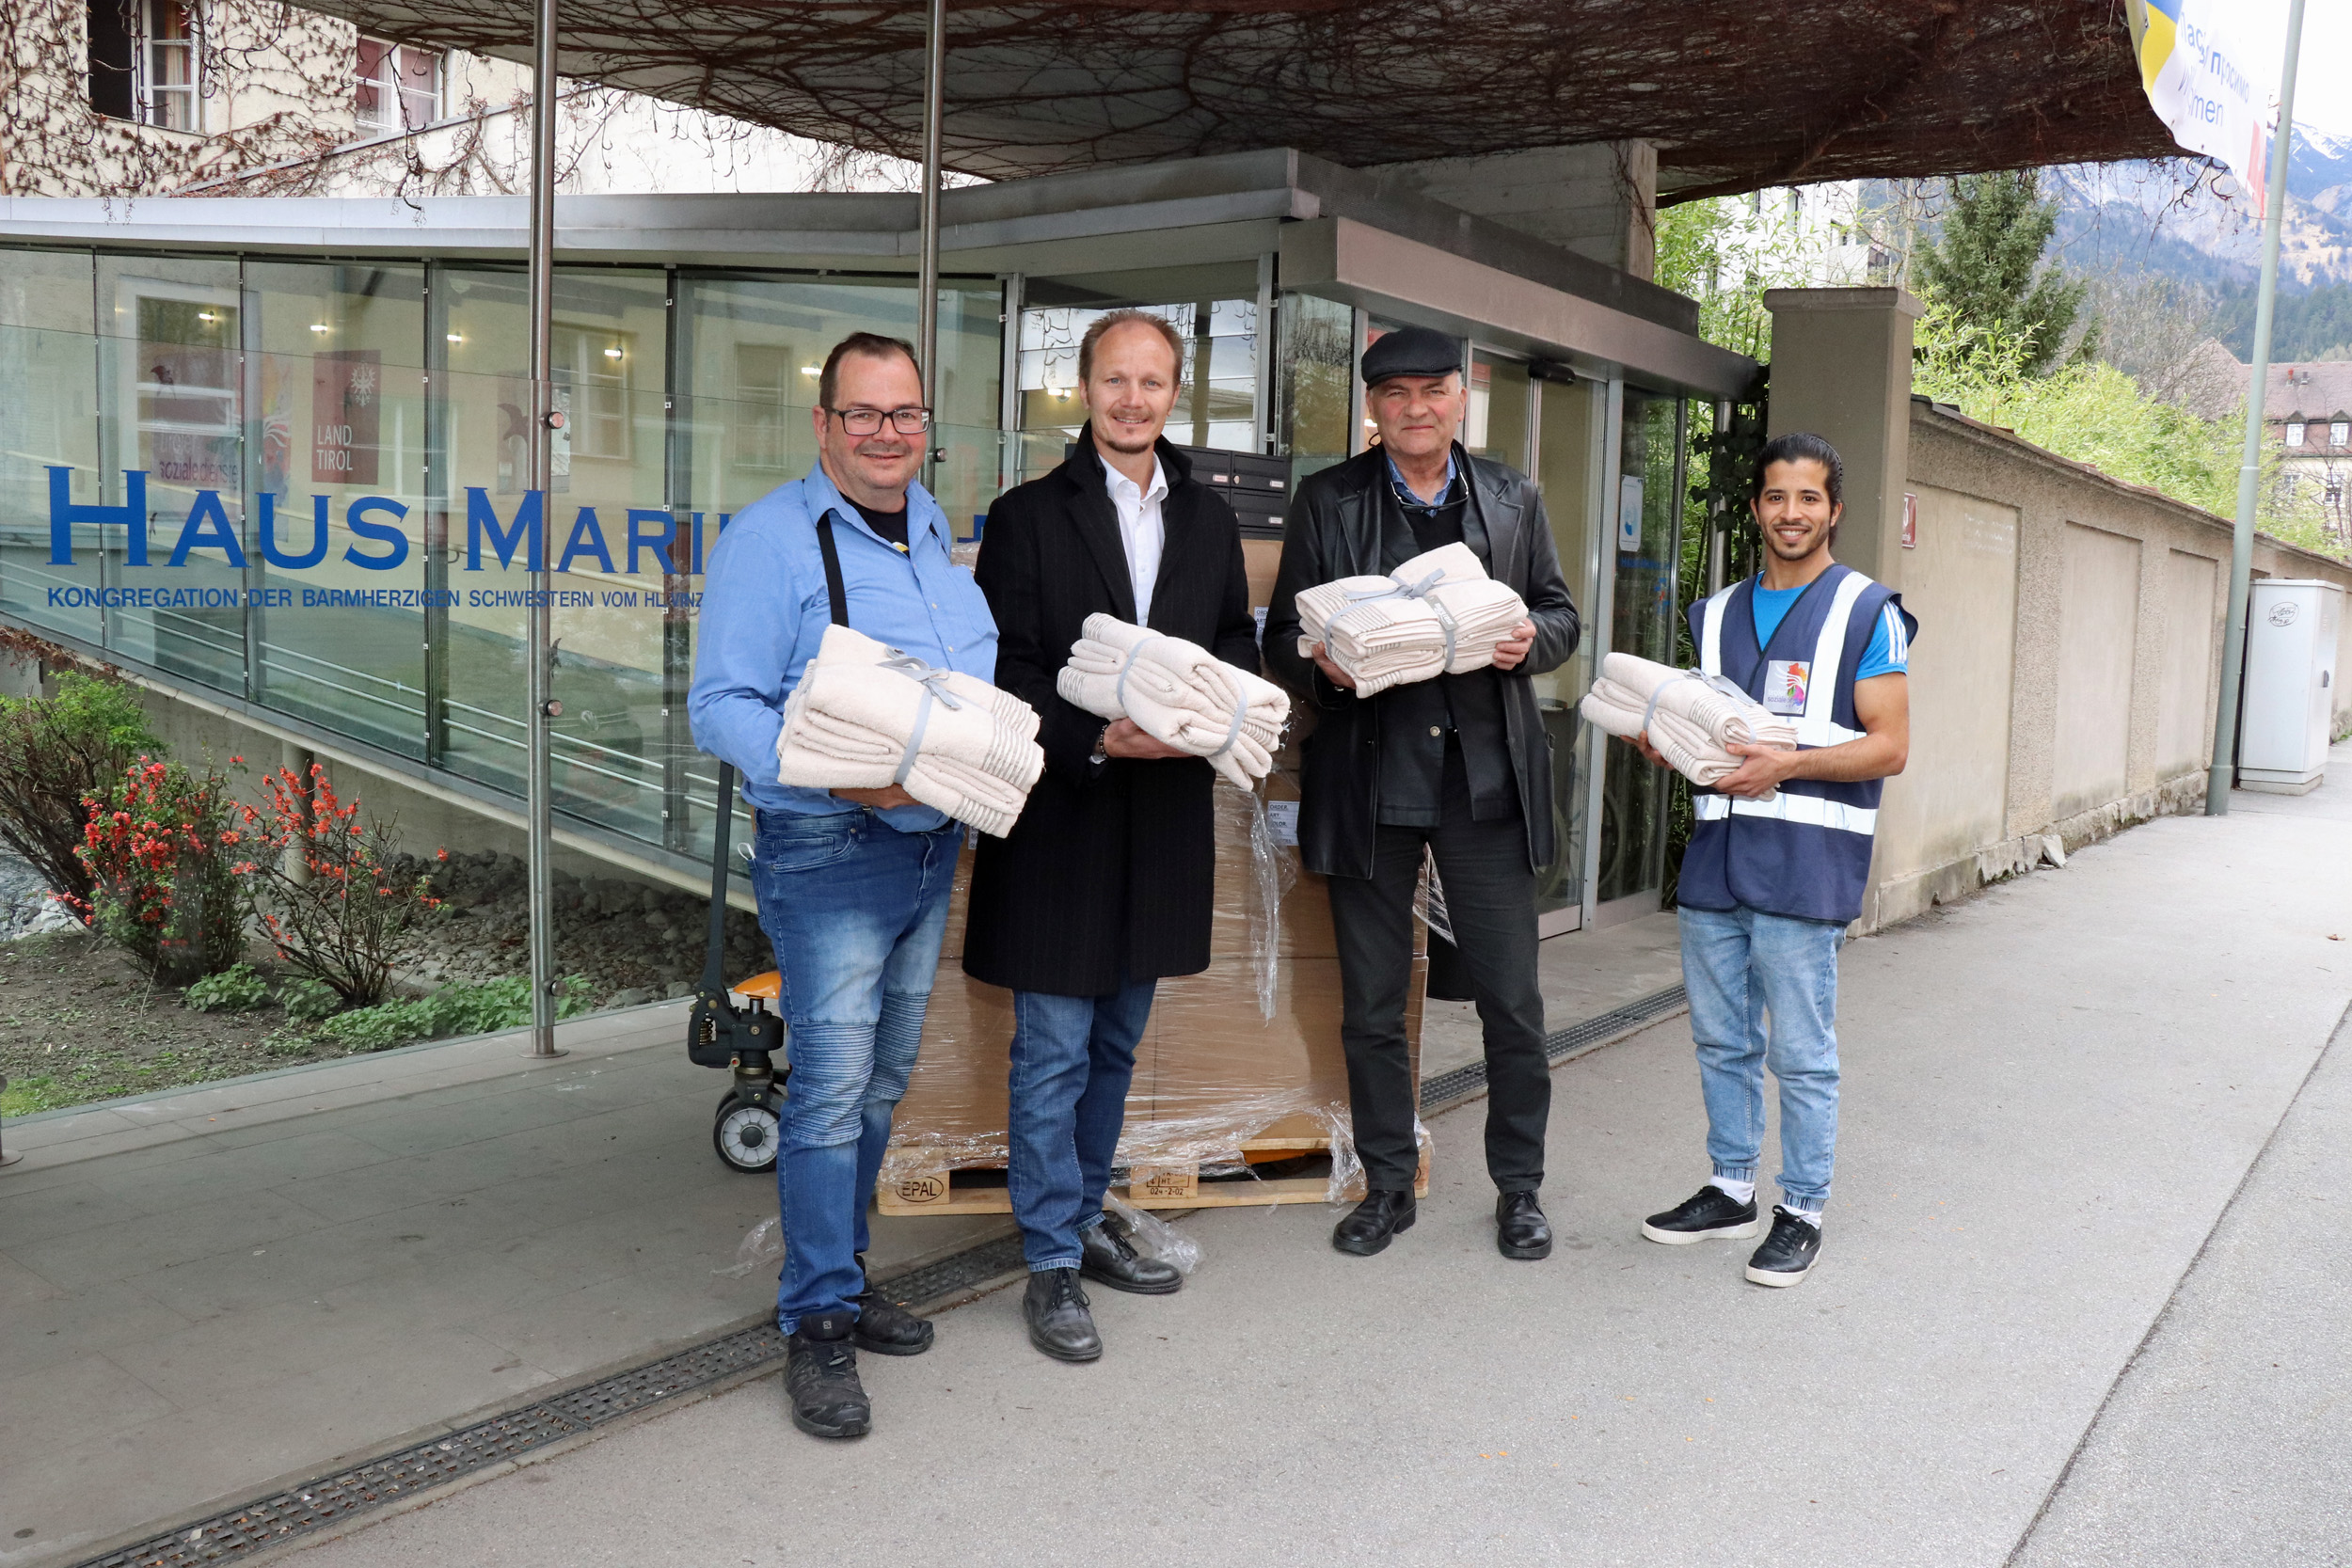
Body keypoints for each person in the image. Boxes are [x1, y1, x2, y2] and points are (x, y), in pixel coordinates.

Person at [689, 331, 997, 1437]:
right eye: (861, 414)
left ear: (927, 428)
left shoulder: (926, 530)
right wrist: (843, 774)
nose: (884, 434)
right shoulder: (771, 539)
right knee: (825, 1089)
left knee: (881, 1080)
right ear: (822, 424)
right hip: (827, 848)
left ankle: (845, 1271)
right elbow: (721, 703)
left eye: (904, 414)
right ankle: (815, 1321)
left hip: (928, 844)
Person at [964, 309, 1260, 1362]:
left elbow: (1232, 638)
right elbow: (1006, 667)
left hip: (1164, 816)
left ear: (1176, 392)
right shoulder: (1028, 515)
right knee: (1050, 1050)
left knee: (1114, 1044)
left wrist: (1200, 715)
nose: (1134, 400)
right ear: (1081, 388)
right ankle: (1048, 1260)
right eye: (1115, 380)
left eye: (1153, 382)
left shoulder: (1211, 523)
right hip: (1063, 816)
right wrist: (1101, 734)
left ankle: (1083, 1219)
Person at [1263, 325, 1581, 1261]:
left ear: (1460, 397)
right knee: (1370, 1000)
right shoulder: (1328, 498)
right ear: (1372, 406)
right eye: (1394, 394)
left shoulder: (1513, 498)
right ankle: (1388, 1183)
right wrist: (1323, 661)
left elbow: (1559, 611)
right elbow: (1281, 635)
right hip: (1372, 777)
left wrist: (1537, 641)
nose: (1414, 408)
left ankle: (1518, 1188)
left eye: (1432, 391)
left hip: (1483, 780)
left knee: (1511, 998)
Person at [1630, 431, 1914, 1288]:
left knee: (1799, 1049)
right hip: (1718, 860)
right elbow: (1711, 723)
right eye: (1777, 497)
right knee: (1719, 1038)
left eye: (1809, 499)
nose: (1792, 514)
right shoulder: (1712, 614)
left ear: (1834, 510)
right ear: (1755, 507)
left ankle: (1802, 1208)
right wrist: (1669, 745)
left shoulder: (1868, 611)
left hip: (1805, 862)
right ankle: (1731, 1187)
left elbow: (1890, 747)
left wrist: (1787, 764)